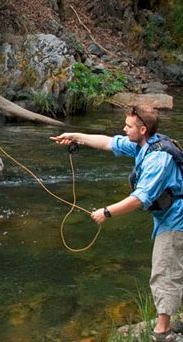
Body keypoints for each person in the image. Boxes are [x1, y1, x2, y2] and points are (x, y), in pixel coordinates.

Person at [51, 105, 183, 342]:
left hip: (177, 221)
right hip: (168, 218)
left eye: (128, 126)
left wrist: (106, 212)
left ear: (143, 129)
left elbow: (140, 198)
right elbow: (108, 142)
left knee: (164, 271)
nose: (124, 129)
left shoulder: (157, 159)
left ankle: (163, 331)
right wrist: (75, 137)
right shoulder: (142, 144)